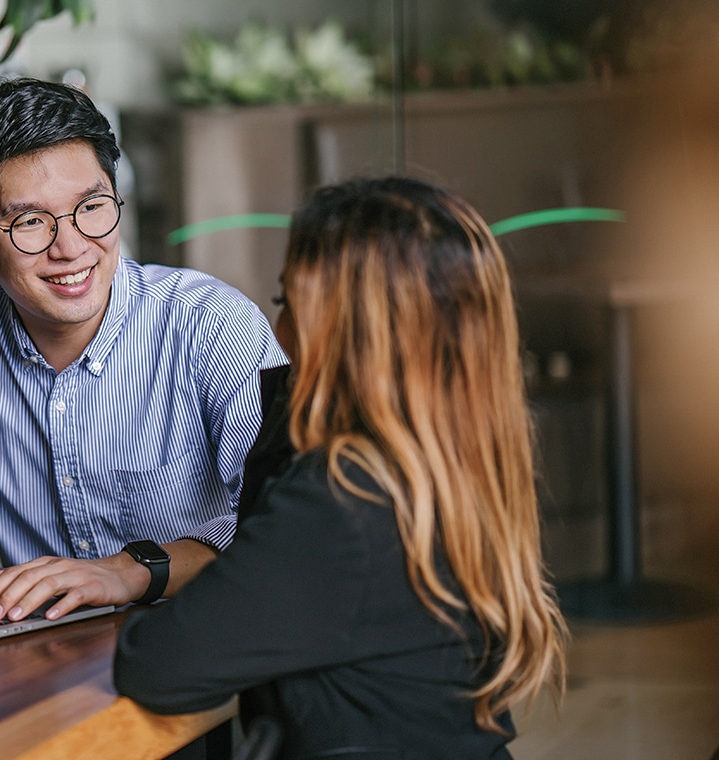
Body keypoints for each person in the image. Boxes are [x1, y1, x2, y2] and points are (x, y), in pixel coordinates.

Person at [113, 176, 568, 759]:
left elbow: (156, 665)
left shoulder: (344, 501)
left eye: (289, 307)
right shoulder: (447, 472)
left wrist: (289, 403)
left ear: (345, 335)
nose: (276, 336)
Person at [0, 77, 286, 623]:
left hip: (196, 639)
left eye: (92, 206)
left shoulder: (211, 326)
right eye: (29, 221)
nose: (70, 249)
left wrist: (127, 571)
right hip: (34, 654)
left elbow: (281, 528)